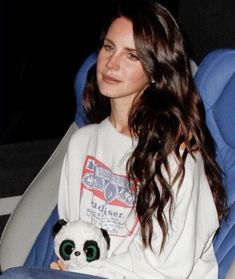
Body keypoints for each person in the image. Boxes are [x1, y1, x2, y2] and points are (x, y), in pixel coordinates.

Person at [0, 0, 227, 278]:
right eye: (109, 47)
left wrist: (87, 271)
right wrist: (70, 265)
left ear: (155, 71)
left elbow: (168, 267)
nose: (111, 63)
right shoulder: (82, 142)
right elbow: (77, 231)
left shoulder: (174, 154)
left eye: (132, 55)